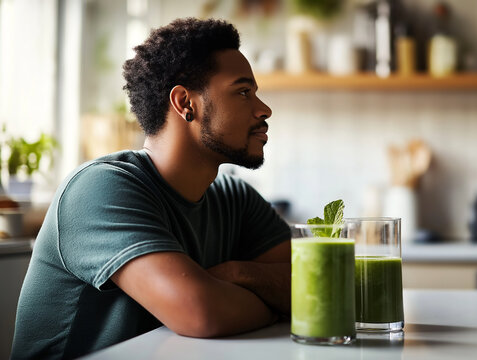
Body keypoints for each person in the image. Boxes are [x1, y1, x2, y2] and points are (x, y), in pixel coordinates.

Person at [11, 18, 291, 359]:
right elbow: (200, 313)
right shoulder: (100, 188)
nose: (264, 109)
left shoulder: (236, 198)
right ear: (185, 103)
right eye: (244, 92)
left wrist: (238, 273)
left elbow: (321, 287)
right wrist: (278, 304)